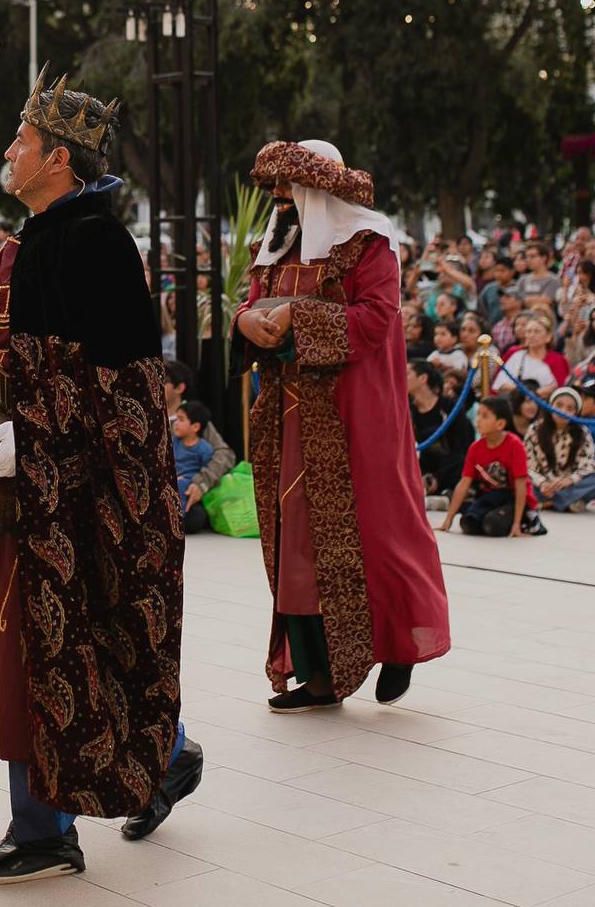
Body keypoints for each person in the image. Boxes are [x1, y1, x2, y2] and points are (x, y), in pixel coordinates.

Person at [0, 68, 197, 882]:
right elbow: (19, 355)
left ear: (59, 158)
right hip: (33, 485)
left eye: (23, 140)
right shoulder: (33, 240)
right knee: (43, 647)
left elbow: (126, 389)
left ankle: (44, 832)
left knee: (62, 646)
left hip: (80, 496)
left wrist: (36, 440)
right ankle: (166, 754)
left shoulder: (98, 243)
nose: (10, 150)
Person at [234, 139, 449, 713]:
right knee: (297, 543)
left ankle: (398, 643)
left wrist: (296, 316)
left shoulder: (368, 244)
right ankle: (320, 674)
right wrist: (247, 322)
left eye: (289, 186)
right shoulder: (272, 248)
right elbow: (251, 303)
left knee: (381, 532)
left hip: (355, 414)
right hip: (286, 414)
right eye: (275, 187)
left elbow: (376, 318)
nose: (279, 197)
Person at [438, 396, 543, 536]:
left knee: (492, 525)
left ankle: (524, 520)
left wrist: (516, 524)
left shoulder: (514, 445)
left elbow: (520, 484)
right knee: (468, 524)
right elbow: (464, 482)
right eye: (478, 414)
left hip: (513, 498)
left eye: (485, 416)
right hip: (490, 497)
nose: (478, 420)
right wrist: (449, 519)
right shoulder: (475, 448)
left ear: (500, 424)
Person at [162, 359, 236, 533]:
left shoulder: (195, 418)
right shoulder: (146, 417)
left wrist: (201, 483)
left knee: (194, 517)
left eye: (163, 380)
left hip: (184, 487)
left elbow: (225, 454)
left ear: (179, 388)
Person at [523, 386, 595, 512]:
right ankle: (566, 502)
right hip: (541, 487)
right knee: (519, 482)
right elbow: (527, 464)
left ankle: (552, 503)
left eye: (570, 408)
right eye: (559, 405)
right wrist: (542, 483)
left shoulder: (582, 432)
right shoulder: (535, 429)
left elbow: (588, 464)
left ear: (576, 413)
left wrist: (571, 479)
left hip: (568, 486)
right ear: (550, 406)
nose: (563, 411)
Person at [408, 359, 472, 508]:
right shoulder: (409, 411)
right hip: (424, 465)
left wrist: (438, 477)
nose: (402, 378)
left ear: (423, 378)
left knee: (460, 461)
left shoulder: (449, 406)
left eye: (407, 374)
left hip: (451, 464)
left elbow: (461, 446)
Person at [493, 316, 567, 397]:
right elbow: (500, 384)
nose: (532, 335)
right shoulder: (517, 355)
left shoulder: (557, 360)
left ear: (548, 337)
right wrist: (531, 393)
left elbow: (561, 391)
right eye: (528, 331)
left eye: (537, 331)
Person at [172, 400, 214, 514]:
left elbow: (205, 469)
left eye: (181, 420)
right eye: (176, 419)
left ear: (195, 427)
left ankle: (180, 515)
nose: (176, 423)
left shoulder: (204, 448)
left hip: (190, 482)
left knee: (180, 485)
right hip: (174, 476)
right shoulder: (173, 442)